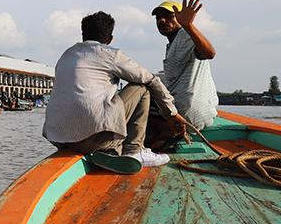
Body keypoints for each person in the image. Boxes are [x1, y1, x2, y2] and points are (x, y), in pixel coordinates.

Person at [43, 11, 186, 167]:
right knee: (142, 88)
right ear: (110, 39)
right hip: (92, 140)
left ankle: (111, 147)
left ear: (83, 35)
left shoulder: (66, 55)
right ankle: (133, 150)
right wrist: (172, 113)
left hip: (59, 139)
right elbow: (151, 79)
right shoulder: (110, 54)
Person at [150, 0, 218, 135]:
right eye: (158, 18)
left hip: (185, 114)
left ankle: (163, 137)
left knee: (138, 101)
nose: (162, 20)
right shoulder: (175, 42)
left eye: (169, 16)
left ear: (181, 18)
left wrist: (188, 25)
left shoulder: (185, 35)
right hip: (201, 113)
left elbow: (209, 53)